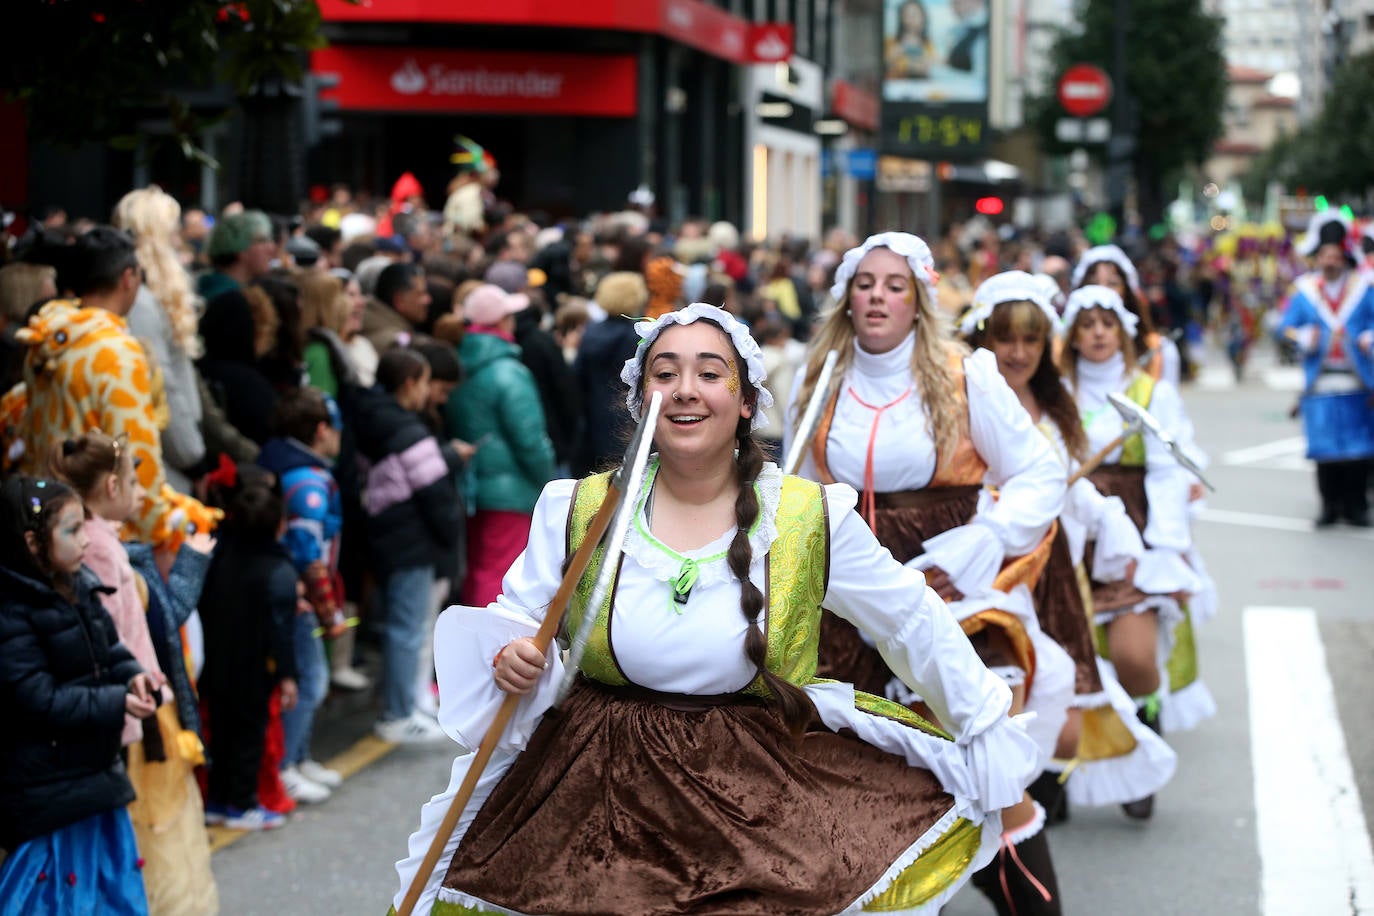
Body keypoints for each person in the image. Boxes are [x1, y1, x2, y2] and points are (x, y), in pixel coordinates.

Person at [392, 303, 1039, 914]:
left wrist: (982, 722)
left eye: (709, 373)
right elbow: (519, 617)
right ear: (639, 397)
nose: (685, 390)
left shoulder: (807, 517)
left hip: (756, 780)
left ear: (746, 401)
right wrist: (513, 655)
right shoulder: (578, 508)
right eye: (664, 373)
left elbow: (908, 619)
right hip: (602, 777)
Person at [784, 232, 1070, 914]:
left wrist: (986, 537)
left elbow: (1039, 472)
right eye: (865, 284)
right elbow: (796, 486)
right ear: (846, 296)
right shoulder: (817, 374)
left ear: (918, 300)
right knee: (854, 766)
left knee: (969, 760)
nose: (878, 297)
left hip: (943, 593)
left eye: (895, 285)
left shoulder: (967, 374)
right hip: (846, 600)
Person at [961, 273, 1177, 823]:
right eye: (1005, 337)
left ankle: (1035, 801)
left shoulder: (1058, 407)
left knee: (1064, 722)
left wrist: (1113, 524)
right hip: (980, 571)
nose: (1017, 352)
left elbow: (1066, 487)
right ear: (982, 336)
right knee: (994, 709)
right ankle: (1008, 824)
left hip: (1052, 572)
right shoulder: (958, 397)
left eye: (1031, 340)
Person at [48, 431, 220, 914]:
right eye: (134, 483)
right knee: (161, 841)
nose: (141, 494)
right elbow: (139, 631)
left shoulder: (105, 544)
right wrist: (193, 563)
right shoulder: (101, 550)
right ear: (110, 486)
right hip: (140, 718)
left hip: (141, 710)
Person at [1058, 285, 1215, 743]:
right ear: (1072, 336)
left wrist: (1167, 547)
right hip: (1069, 535)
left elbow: (1166, 474)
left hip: (1133, 539)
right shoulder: (1057, 391)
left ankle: (1146, 725)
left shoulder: (1150, 392)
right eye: (1087, 325)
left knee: (1135, 658)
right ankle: (1059, 771)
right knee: (1064, 664)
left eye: (1107, 324)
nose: (1098, 334)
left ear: (1123, 333)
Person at [0, 475, 158, 913]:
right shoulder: (12, 613)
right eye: (72, 530)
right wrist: (116, 703)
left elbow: (110, 649)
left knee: (106, 897)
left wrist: (133, 678)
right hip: (45, 793)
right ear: (33, 543)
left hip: (91, 778)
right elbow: (39, 700)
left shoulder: (79, 583)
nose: (85, 540)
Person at [6, 227, 218, 550]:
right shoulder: (117, 352)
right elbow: (137, 458)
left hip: (50, 523)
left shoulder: (49, 337)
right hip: (106, 533)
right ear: (128, 277)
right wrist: (168, 527)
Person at [353, 348, 462, 744]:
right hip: (411, 539)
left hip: (390, 535)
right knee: (408, 629)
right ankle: (398, 714)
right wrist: (451, 535)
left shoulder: (371, 419)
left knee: (407, 627)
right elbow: (435, 493)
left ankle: (407, 707)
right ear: (409, 383)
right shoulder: (404, 429)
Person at [256, 389, 348, 804]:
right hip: (296, 599)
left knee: (308, 678)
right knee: (308, 681)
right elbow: (309, 555)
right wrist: (328, 611)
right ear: (321, 429)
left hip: (282, 594)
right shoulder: (309, 481)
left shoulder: (285, 466)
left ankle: (298, 757)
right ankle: (286, 767)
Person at [198, 466, 299, 831]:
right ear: (279, 526)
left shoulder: (218, 560)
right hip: (254, 670)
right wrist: (288, 676)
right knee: (248, 738)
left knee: (220, 733)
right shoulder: (279, 572)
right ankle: (242, 804)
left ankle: (216, 801)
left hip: (214, 662)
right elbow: (281, 632)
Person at [447, 284, 556, 608]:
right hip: (511, 492)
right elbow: (530, 439)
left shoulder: (462, 365)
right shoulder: (509, 372)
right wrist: (546, 479)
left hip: (474, 487)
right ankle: (488, 655)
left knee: (479, 569)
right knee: (500, 574)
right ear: (501, 322)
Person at [1275, 212, 1374, 527]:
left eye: (1335, 255)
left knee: (1359, 449)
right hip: (1319, 381)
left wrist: (1369, 338)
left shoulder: (1364, 288)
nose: (1330, 261)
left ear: (1344, 257)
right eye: (1324, 255)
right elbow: (1284, 328)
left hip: (1357, 379)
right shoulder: (1304, 291)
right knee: (1324, 449)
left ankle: (1356, 506)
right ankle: (1329, 506)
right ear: (1317, 257)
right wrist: (1304, 336)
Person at [114, 186, 208, 495]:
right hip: (163, 470)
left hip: (167, 462)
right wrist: (192, 456)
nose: (179, 238)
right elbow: (161, 383)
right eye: (173, 230)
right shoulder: (139, 302)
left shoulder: (145, 298)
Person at [1071, 244, 1183, 386]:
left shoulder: (1158, 350)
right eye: (1093, 283)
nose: (1102, 291)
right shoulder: (1060, 348)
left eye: (1112, 283)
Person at [885, 0, 936, 79]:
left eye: (915, 14)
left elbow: (930, 66)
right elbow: (886, 64)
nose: (911, 19)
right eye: (906, 15)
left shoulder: (928, 43)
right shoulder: (891, 42)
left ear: (923, 18)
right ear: (901, 19)